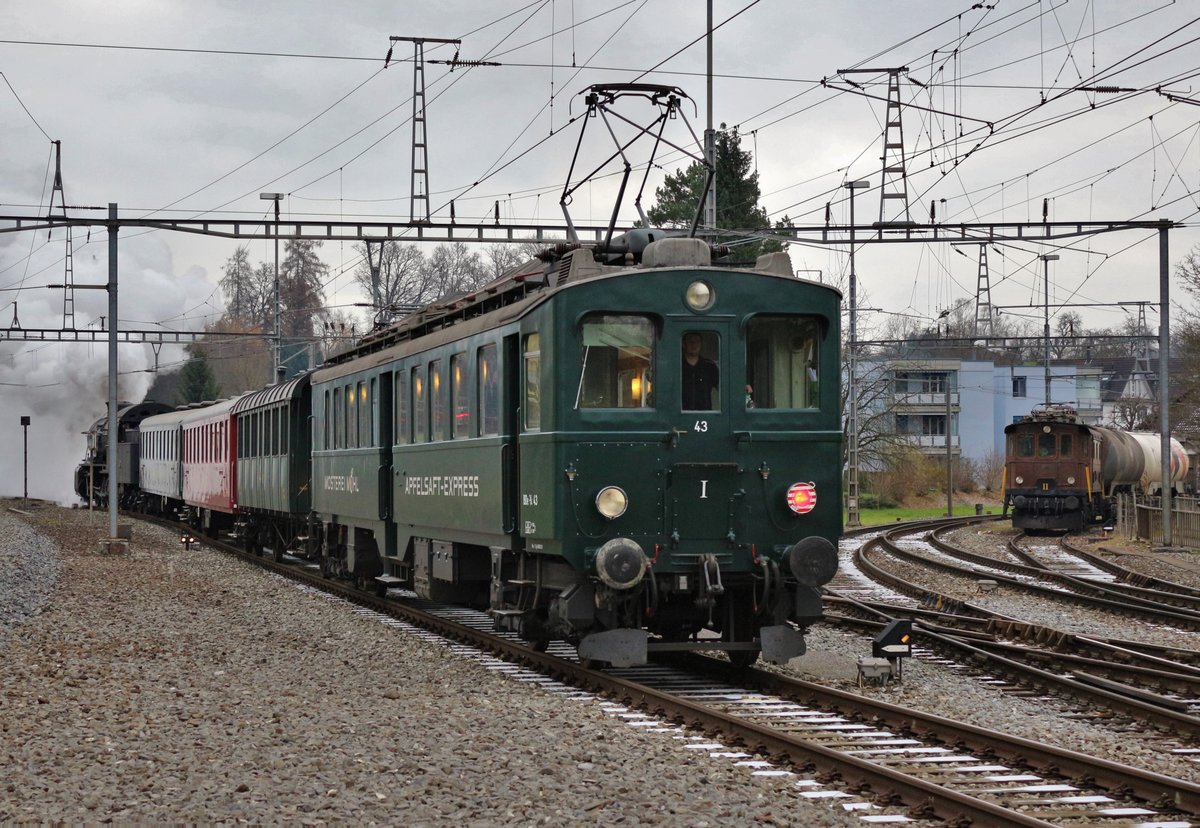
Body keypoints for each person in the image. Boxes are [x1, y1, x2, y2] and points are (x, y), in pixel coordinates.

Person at [681, 332, 719, 410]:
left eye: (697, 341)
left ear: (701, 344)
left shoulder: (709, 366)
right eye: (690, 341)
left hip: (704, 416)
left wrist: (740, 388)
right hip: (680, 417)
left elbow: (724, 387)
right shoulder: (676, 365)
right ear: (684, 344)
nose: (693, 344)